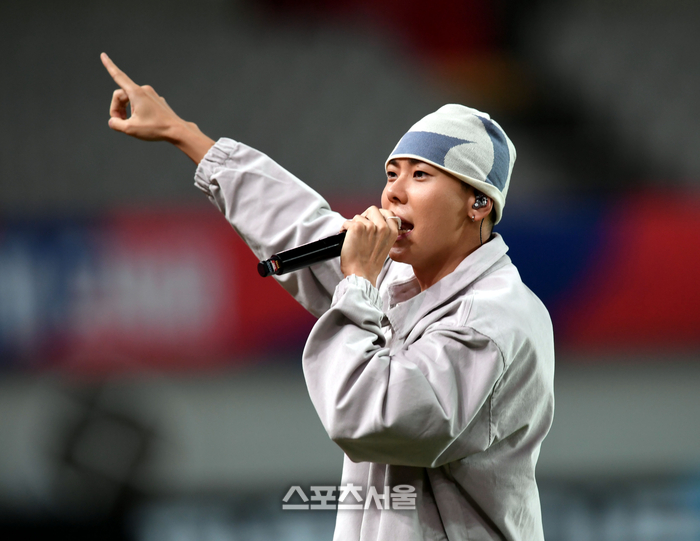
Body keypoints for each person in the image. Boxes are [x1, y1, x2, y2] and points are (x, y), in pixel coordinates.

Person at [101, 52, 555, 541]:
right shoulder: (399, 281)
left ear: (479, 202)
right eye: (392, 174)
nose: (394, 193)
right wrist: (182, 133)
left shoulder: (492, 318)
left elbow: (372, 418)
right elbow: (299, 223)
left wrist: (357, 282)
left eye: (420, 175)